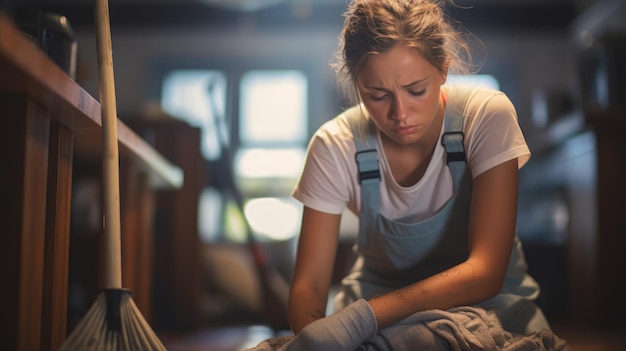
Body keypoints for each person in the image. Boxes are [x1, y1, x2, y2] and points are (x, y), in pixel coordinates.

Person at [247, 0, 569, 349]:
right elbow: (308, 287)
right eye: (377, 95)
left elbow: (486, 272)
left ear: (444, 70)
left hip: (488, 308)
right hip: (373, 311)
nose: (400, 113)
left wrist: (360, 319)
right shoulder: (335, 145)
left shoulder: (485, 116)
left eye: (417, 90)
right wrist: (319, 338)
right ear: (356, 84)